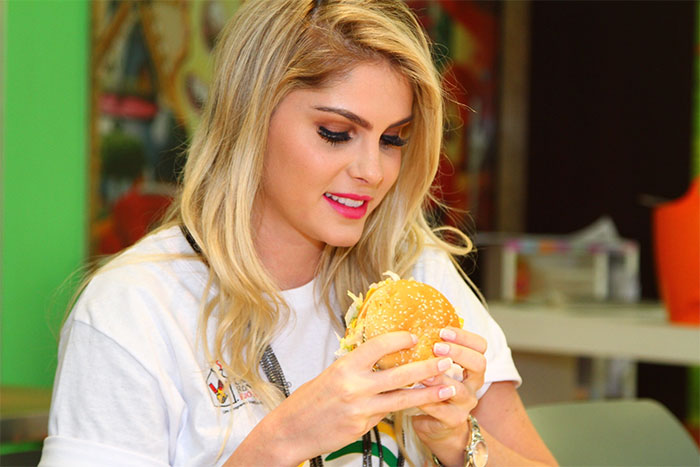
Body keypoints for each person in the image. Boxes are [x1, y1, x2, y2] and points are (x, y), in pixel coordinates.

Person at [40, 0, 557, 466]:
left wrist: (455, 441)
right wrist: (282, 441)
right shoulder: (132, 309)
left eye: (393, 139)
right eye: (336, 134)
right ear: (249, 119)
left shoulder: (415, 273)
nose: (373, 171)